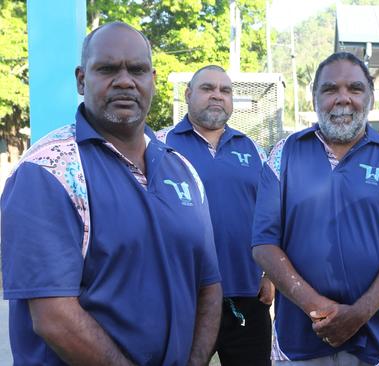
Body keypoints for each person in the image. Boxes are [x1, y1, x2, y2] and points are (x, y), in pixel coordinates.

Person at [1, 22, 222, 365]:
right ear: (81, 79)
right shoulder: (48, 171)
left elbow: (209, 286)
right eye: (107, 69)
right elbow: (54, 318)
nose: (124, 80)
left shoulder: (182, 170)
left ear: (152, 79)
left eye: (137, 70)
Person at [251, 52, 379, 365]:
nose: (343, 99)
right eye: (330, 90)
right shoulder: (283, 156)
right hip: (300, 336)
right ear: (314, 96)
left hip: (376, 338)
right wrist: (317, 309)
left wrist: (358, 314)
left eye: (355, 89)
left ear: (370, 96)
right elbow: (264, 244)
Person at [157, 65, 274, 366]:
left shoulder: (254, 151)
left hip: (248, 296)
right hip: (184, 296)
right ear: (188, 95)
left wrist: (270, 275)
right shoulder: (158, 146)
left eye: (225, 90)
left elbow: (271, 215)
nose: (217, 96)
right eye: (208, 88)